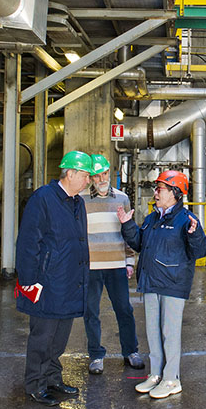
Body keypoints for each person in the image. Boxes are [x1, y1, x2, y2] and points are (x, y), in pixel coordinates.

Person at [116, 169, 206, 400]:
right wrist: (128, 225)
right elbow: (139, 243)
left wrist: (194, 234)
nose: (155, 193)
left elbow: (201, 251)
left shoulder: (187, 220)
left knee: (170, 333)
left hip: (172, 285)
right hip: (150, 282)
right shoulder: (152, 219)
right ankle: (156, 374)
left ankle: (171, 379)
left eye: (160, 189)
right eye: (156, 189)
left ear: (175, 193)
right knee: (153, 332)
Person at [15, 150, 92, 406]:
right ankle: (35, 385)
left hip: (69, 281)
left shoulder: (77, 203)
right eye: (85, 175)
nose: (88, 180)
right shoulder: (43, 199)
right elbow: (28, 243)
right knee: (42, 337)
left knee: (59, 338)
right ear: (70, 173)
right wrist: (28, 281)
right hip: (46, 283)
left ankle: (52, 378)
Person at [81, 154, 145, 374]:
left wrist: (129, 261)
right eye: (97, 175)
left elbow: (127, 232)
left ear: (110, 172)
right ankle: (96, 355)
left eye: (105, 173)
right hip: (90, 267)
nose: (102, 179)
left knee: (124, 309)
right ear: (90, 177)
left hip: (116, 264)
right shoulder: (80, 200)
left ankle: (131, 351)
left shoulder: (122, 198)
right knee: (91, 312)